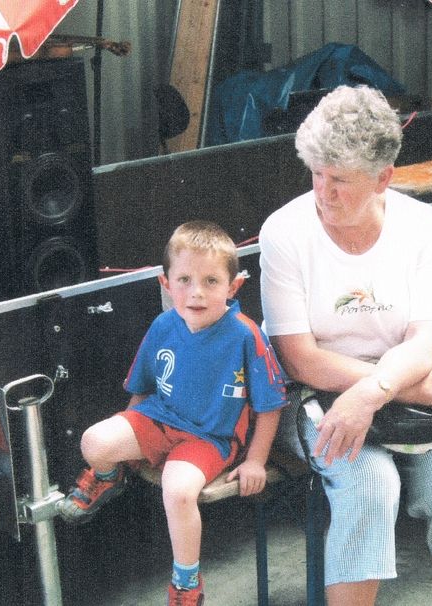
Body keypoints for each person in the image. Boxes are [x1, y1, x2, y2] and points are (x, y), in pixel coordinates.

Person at [259, 85, 432, 606]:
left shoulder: (422, 225)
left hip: (396, 382)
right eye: (316, 174)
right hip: (313, 394)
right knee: (370, 485)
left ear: (383, 178)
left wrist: (376, 391)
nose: (324, 192)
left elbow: (425, 339)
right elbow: (299, 358)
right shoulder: (284, 232)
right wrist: (403, 388)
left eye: (340, 180)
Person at [58, 220, 288, 605]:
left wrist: (256, 461)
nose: (196, 292)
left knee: (178, 491)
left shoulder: (245, 335)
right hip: (159, 420)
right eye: (184, 280)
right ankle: (109, 478)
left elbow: (270, 405)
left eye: (211, 281)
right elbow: (142, 388)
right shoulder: (163, 325)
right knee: (94, 441)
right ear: (166, 284)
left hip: (208, 438)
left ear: (233, 287)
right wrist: (126, 447)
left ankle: (186, 584)